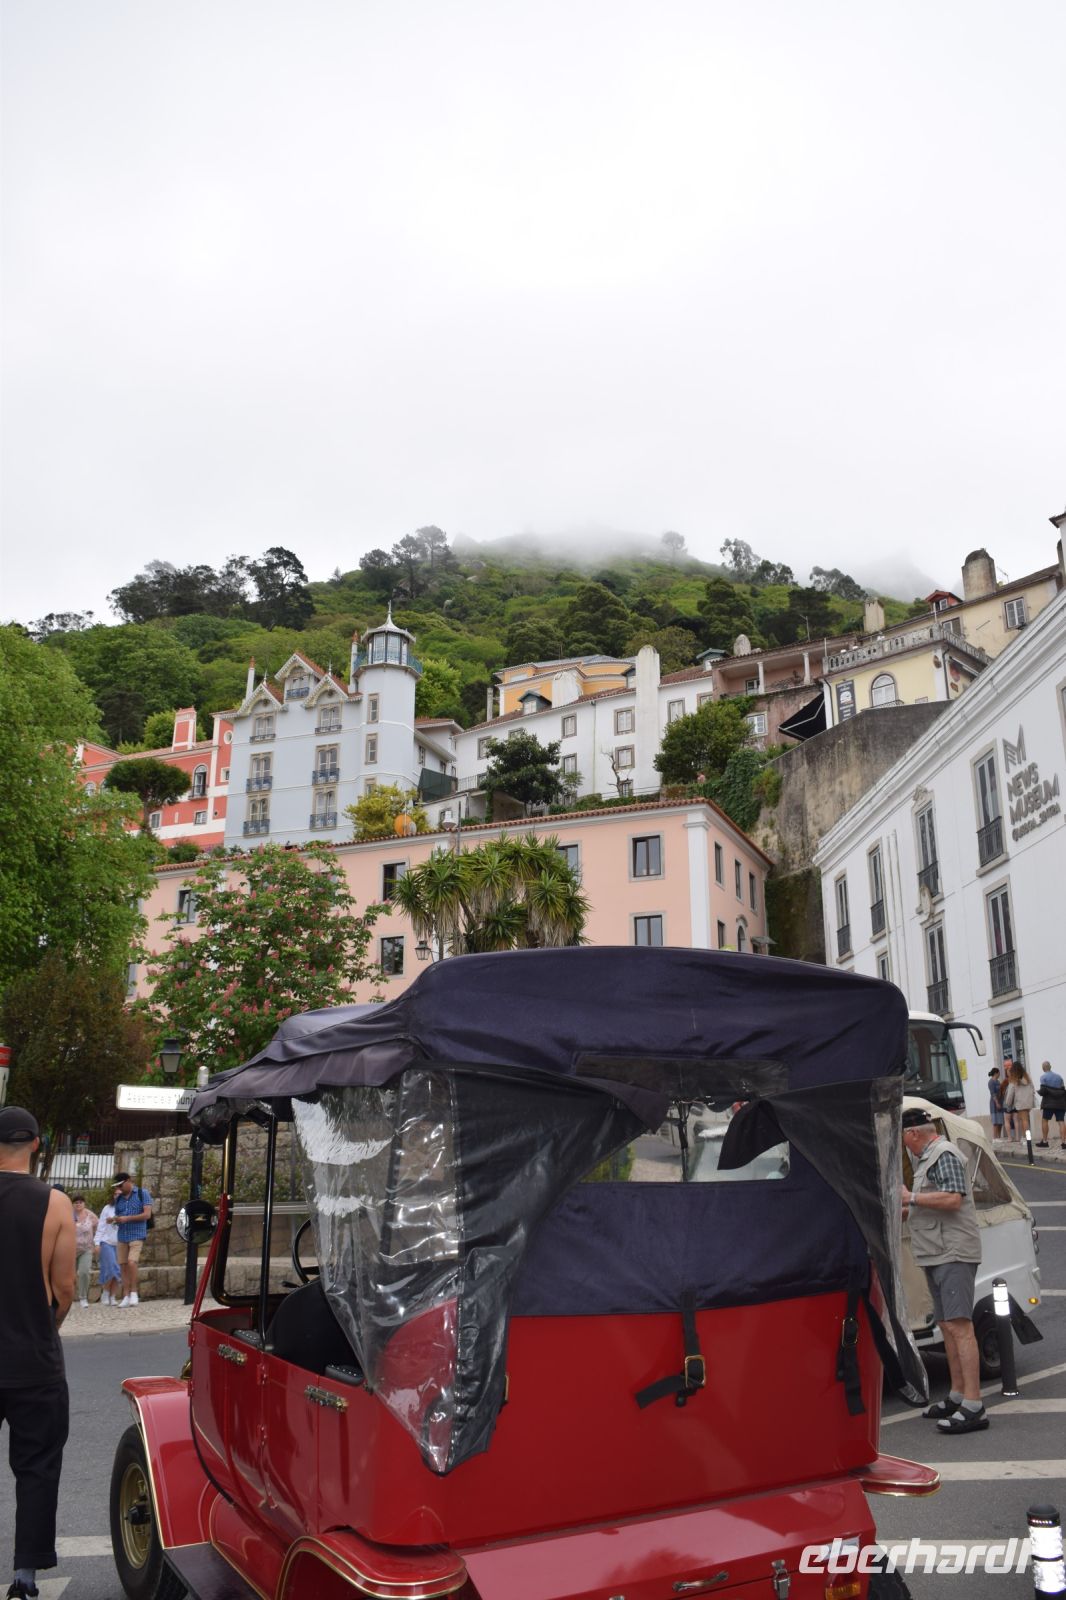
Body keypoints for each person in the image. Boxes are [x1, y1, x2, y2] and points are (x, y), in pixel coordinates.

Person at [0, 1105, 76, 1599]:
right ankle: (25, 1577)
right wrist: (48, 1327)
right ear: (36, 1145)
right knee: (37, 1466)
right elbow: (64, 1287)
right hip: (32, 1360)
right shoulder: (55, 1203)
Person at [900, 1106, 987, 1434]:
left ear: (913, 1134)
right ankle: (957, 1395)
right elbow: (932, 1204)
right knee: (948, 1326)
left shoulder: (943, 1153)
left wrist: (912, 1198)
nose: (904, 1145)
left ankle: (974, 1405)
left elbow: (952, 1200)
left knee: (961, 1327)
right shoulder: (926, 1159)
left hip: (953, 1253)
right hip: (937, 1253)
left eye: (904, 1139)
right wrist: (908, 1210)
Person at [111, 1172, 153, 1307]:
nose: (119, 1188)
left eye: (121, 1185)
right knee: (122, 1265)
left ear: (128, 1181)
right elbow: (119, 1215)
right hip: (122, 1235)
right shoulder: (119, 1198)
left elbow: (147, 1214)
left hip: (137, 1234)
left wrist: (127, 1218)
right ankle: (126, 1295)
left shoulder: (142, 1193)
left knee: (131, 1262)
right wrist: (115, 1220)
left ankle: (134, 1292)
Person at [94, 1188, 122, 1306]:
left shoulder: (126, 1209)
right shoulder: (107, 1208)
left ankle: (112, 1295)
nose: (117, 1196)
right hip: (107, 1242)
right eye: (115, 1194)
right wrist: (97, 1242)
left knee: (118, 1270)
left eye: (119, 1194)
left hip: (121, 1243)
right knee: (111, 1267)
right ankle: (105, 1293)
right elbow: (101, 1226)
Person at [70, 1196, 98, 1309]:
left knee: (84, 1272)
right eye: (76, 1202)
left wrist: (97, 1243)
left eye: (80, 1202)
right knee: (70, 1276)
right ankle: (69, 1298)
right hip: (70, 1250)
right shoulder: (68, 1214)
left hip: (86, 1249)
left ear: (84, 1204)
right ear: (72, 1204)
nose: (78, 1204)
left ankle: (83, 1297)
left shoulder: (90, 1216)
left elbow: (99, 1229)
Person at [1036, 1060, 1066, 1150]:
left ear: (1043, 1068)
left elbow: (1044, 1091)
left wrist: (1038, 1092)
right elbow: (1062, 1089)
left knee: (1045, 1120)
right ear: (1050, 1067)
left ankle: (1045, 1142)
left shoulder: (1043, 1077)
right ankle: (1064, 1142)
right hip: (1060, 1103)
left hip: (1049, 1103)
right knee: (1061, 1122)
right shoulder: (1059, 1077)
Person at [1003, 1060, 1035, 1144]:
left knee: (1024, 1121)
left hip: (1020, 1103)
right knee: (1025, 1120)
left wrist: (1008, 1103)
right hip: (1028, 1103)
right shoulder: (1027, 1077)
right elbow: (1032, 1089)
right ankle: (1027, 1138)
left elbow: (1010, 1093)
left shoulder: (1014, 1079)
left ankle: (1027, 1139)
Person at [987, 1066, 1006, 1141]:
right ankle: (994, 1138)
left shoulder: (998, 1082)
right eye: (999, 1073)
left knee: (1000, 1121)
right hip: (994, 1103)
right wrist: (997, 1103)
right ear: (996, 1073)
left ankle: (998, 1137)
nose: (999, 1075)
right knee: (995, 1122)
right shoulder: (991, 1082)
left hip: (1000, 1102)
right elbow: (993, 1094)